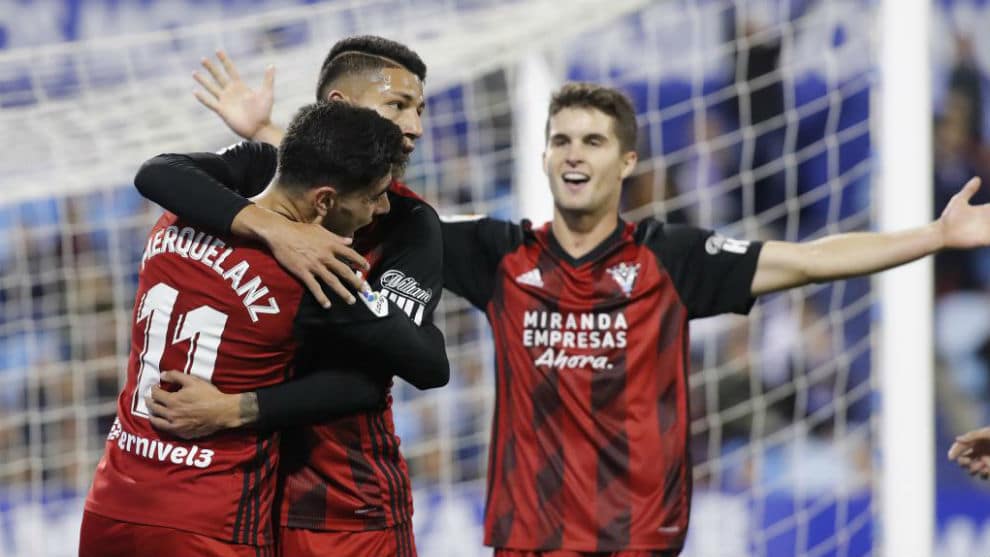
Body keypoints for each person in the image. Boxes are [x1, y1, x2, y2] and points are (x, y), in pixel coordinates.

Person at [139, 53, 990, 556]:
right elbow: (352, 203)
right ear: (544, 158)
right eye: (561, 141)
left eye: (593, 141)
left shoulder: (671, 259)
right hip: (525, 544)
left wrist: (933, 237)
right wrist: (264, 143)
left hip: (639, 543)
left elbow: (807, 260)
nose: (573, 154)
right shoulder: (497, 251)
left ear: (626, 163)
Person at [79, 101, 449, 557]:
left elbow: (160, 171)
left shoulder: (173, 219)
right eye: (373, 195)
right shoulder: (312, 278)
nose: (383, 207)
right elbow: (426, 365)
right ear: (326, 201)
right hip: (210, 520)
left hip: (112, 503)